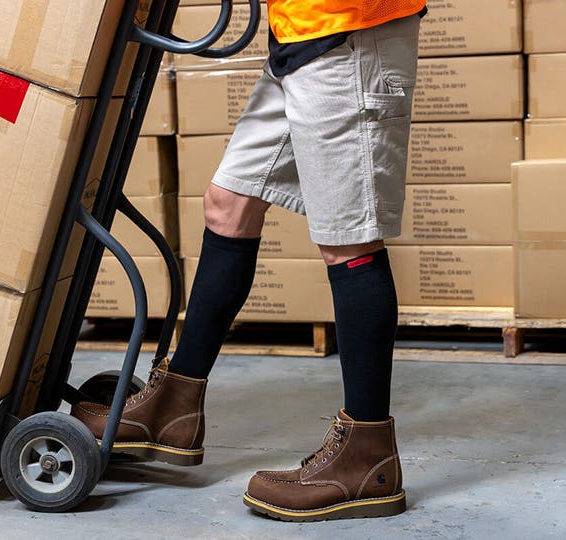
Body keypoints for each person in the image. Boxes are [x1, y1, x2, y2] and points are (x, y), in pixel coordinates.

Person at [72, 0, 425, 522]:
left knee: (348, 240)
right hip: (303, 34)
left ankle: (367, 459)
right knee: (228, 204)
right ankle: (174, 409)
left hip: (351, 29)